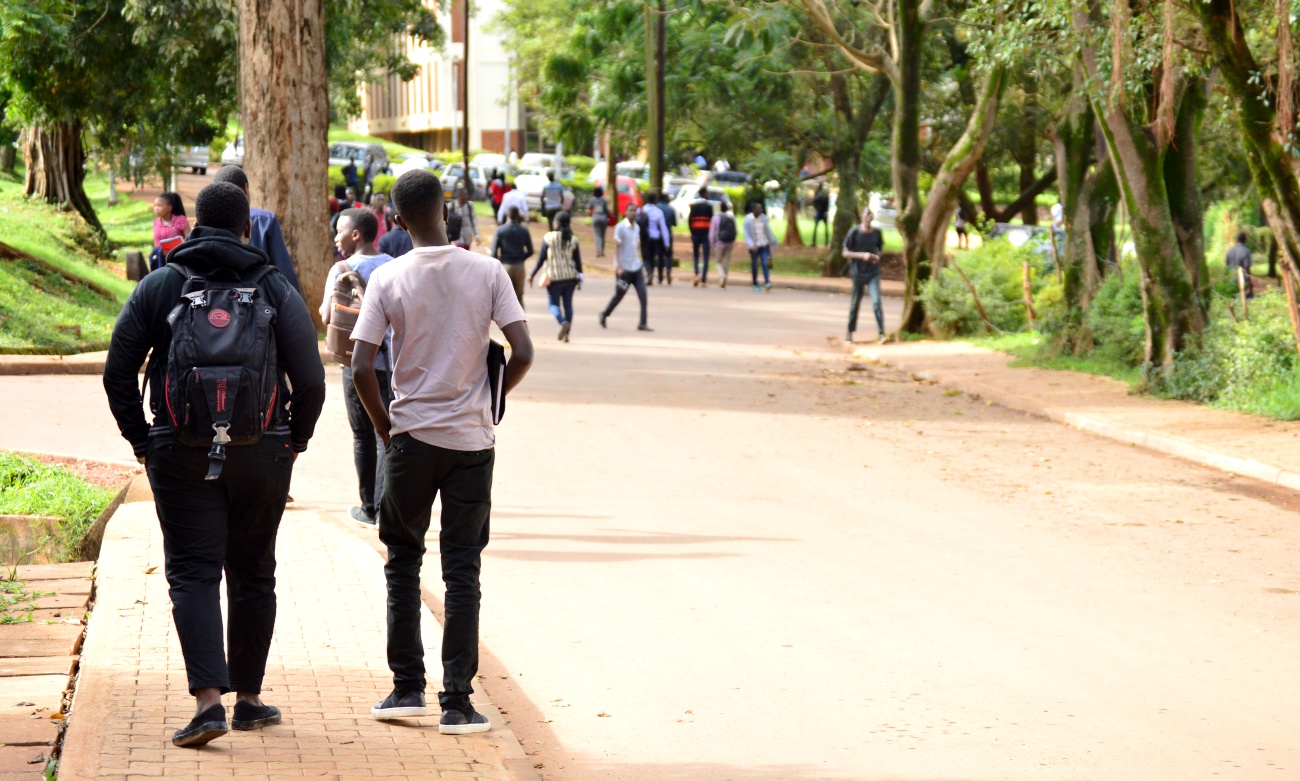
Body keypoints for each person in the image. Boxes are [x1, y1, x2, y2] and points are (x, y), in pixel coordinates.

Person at [102, 181, 325, 748]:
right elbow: (314, 381)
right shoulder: (273, 286)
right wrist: (291, 442)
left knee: (193, 572)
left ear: (195, 225)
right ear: (248, 230)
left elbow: (117, 372)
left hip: (179, 452)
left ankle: (207, 705)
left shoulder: (162, 284)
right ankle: (248, 700)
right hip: (263, 452)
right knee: (254, 571)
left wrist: (143, 442)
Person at [349, 168, 533, 735]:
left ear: (398, 221)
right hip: (472, 444)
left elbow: (360, 366)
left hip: (410, 438)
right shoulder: (488, 270)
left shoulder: (388, 277)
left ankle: (407, 689)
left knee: (403, 563)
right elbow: (522, 350)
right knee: (463, 569)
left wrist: (385, 430)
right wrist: (489, 399)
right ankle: (458, 701)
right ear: (447, 207)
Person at [320, 208, 395, 527]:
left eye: (339, 230)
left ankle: (369, 508)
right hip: (390, 361)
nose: (335, 236)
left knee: (363, 435)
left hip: (355, 363)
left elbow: (326, 316)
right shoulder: (394, 266)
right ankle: (385, 506)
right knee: (387, 431)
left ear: (356, 234)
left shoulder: (340, 269)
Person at [211, 166, 303, 293]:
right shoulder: (264, 220)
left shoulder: (206, 221)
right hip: (257, 304)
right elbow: (285, 274)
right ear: (246, 189)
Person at [529, 211, 583, 342]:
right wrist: (580, 278)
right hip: (570, 277)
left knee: (553, 304)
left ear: (557, 223)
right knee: (568, 305)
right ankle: (567, 335)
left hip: (554, 278)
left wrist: (532, 274)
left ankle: (563, 322)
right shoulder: (573, 239)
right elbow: (578, 262)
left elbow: (541, 258)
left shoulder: (549, 238)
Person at [599, 204, 652, 332]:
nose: (633, 213)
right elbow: (616, 247)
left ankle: (642, 323)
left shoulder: (637, 228)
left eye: (635, 211)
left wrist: (642, 266)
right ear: (626, 212)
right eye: (630, 211)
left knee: (643, 295)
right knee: (619, 295)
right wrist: (619, 266)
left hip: (636, 268)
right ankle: (604, 314)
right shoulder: (620, 227)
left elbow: (636, 248)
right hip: (624, 270)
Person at [841, 207, 886, 343]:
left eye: (871, 214)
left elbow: (881, 249)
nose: (868, 216)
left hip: (873, 273)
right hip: (858, 273)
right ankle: (849, 333)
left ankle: (881, 333)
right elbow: (845, 252)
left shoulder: (877, 232)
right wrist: (862, 256)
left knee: (876, 301)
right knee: (855, 303)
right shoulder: (854, 232)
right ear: (861, 215)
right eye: (866, 213)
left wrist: (876, 257)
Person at [492, 206, 534, 307]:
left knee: (504, 297)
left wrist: (499, 259)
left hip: (505, 265)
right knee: (519, 297)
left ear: (507, 215)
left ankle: (506, 322)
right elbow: (531, 251)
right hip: (520, 266)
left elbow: (493, 252)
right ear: (518, 216)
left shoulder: (500, 230)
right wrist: (521, 257)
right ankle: (522, 321)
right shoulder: (524, 230)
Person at [151, 192, 190, 270]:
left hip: (178, 260)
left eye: (160, 205)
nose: (156, 208)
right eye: (155, 205)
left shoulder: (180, 220)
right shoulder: (155, 223)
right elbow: (156, 243)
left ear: (169, 207)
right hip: (160, 261)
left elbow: (189, 239)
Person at [743, 201, 774, 291]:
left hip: (763, 244)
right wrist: (752, 245)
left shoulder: (763, 218)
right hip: (754, 247)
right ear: (754, 209)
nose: (761, 210)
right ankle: (755, 283)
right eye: (759, 208)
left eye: (761, 208)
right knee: (755, 265)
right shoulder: (748, 219)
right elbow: (747, 234)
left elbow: (767, 231)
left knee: (765, 263)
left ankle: (767, 281)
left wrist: (769, 242)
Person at [688, 188, 715, 286]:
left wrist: (692, 232)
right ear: (703, 194)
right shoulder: (709, 207)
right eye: (707, 193)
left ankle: (696, 274)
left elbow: (690, 220)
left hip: (695, 233)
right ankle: (703, 280)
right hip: (705, 234)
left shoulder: (693, 206)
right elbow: (711, 221)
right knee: (706, 256)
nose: (708, 195)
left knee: (696, 255)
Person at [642, 192, 668, 286]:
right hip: (655, 237)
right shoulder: (658, 212)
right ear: (655, 200)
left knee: (646, 257)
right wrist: (666, 243)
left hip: (645, 237)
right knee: (652, 257)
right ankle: (651, 274)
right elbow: (663, 228)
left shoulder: (642, 210)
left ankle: (649, 273)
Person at [709, 201, 738, 289]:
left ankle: (722, 276)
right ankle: (724, 279)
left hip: (719, 242)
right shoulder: (732, 217)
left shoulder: (715, 218)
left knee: (717, 261)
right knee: (726, 261)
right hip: (730, 242)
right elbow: (736, 231)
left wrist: (712, 244)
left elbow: (712, 233)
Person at [655, 190, 677, 283]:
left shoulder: (656, 208)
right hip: (668, 232)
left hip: (658, 234)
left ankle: (660, 276)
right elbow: (675, 223)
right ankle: (668, 269)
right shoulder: (671, 209)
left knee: (660, 255)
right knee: (668, 254)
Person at [1226, 231, 1254, 299]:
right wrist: (1250, 285)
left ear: (1237, 239)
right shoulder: (1246, 251)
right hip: (1243, 283)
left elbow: (1227, 266)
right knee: (1248, 301)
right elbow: (1247, 270)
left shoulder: (1230, 251)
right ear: (1245, 239)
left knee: (1233, 303)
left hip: (1231, 282)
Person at [589, 185, 611, 258]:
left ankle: (598, 251)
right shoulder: (604, 200)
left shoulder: (592, 199)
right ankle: (602, 251)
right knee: (603, 235)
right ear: (602, 192)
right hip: (603, 218)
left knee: (597, 235)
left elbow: (590, 208)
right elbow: (608, 210)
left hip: (595, 218)